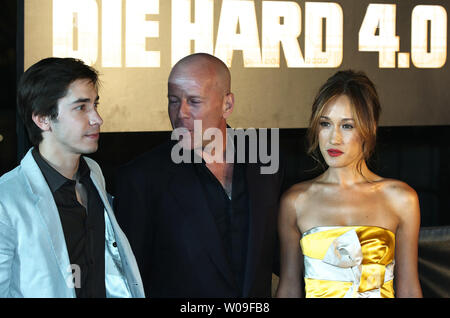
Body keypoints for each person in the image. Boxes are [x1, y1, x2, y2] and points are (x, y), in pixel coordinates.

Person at [114, 53, 284, 297]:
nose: (180, 112)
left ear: (228, 104)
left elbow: (285, 258)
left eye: (193, 101)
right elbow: (129, 281)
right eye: (173, 100)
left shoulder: (267, 166)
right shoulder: (140, 178)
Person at [0, 57, 144, 298]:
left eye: (95, 105)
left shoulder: (94, 174)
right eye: (81, 107)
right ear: (43, 119)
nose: (97, 119)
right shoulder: (7, 199)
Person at [276, 70, 422, 298]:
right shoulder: (295, 201)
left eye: (347, 126)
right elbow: (288, 289)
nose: (334, 138)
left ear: (369, 128)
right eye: (325, 124)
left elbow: (410, 289)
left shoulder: (402, 199)